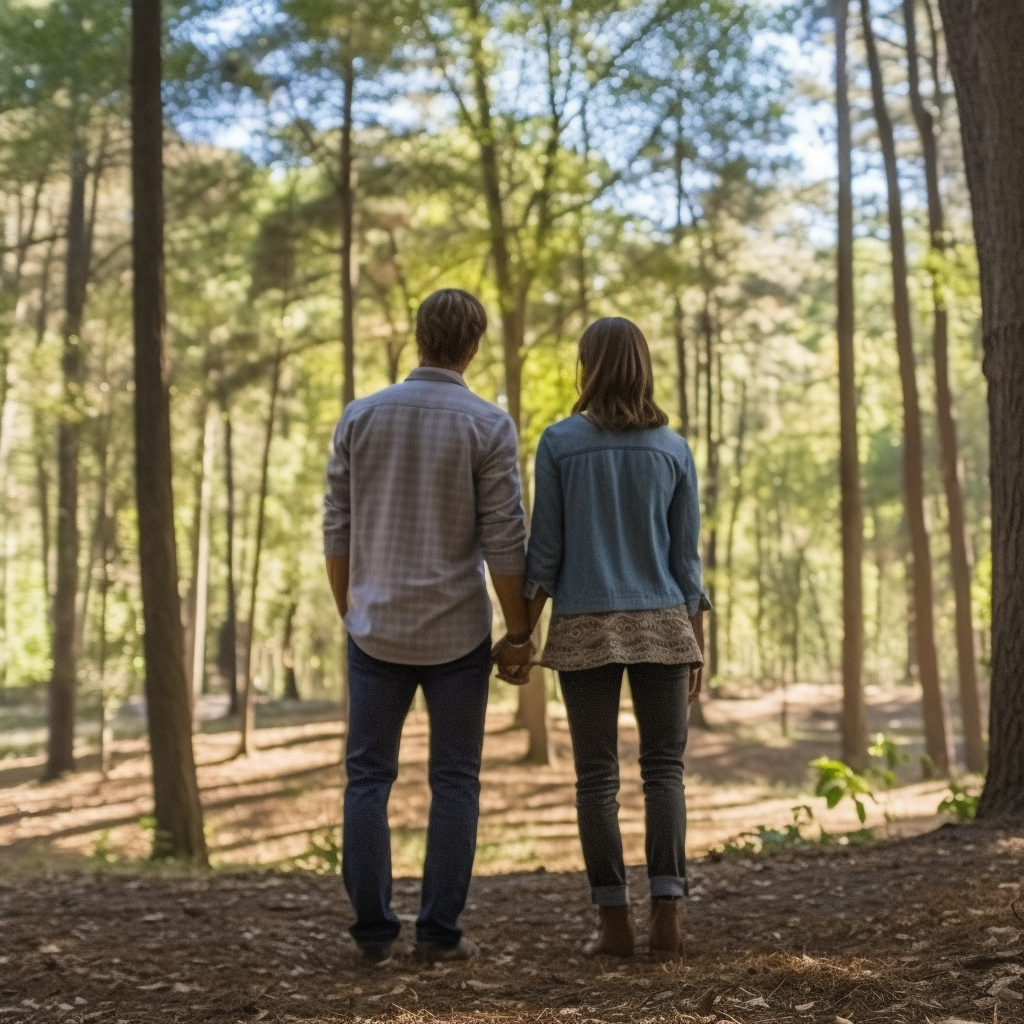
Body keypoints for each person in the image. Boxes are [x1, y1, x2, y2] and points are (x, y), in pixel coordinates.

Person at [323, 288, 534, 963]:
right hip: (457, 635)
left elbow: (337, 527)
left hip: (375, 630)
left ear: (420, 336)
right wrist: (521, 631)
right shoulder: (488, 424)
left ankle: (373, 932)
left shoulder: (361, 416)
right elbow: (506, 540)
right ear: (473, 346)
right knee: (455, 781)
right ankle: (439, 933)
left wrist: (351, 610)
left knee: (367, 779)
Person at [521, 316, 709, 959]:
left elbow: (543, 554)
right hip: (663, 621)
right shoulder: (673, 448)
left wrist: (521, 631)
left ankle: (612, 924)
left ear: (588, 366)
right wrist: (696, 640)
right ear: (644, 366)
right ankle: (669, 917)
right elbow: (687, 561)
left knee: (595, 779)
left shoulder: (559, 443)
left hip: (583, 626)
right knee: (665, 773)